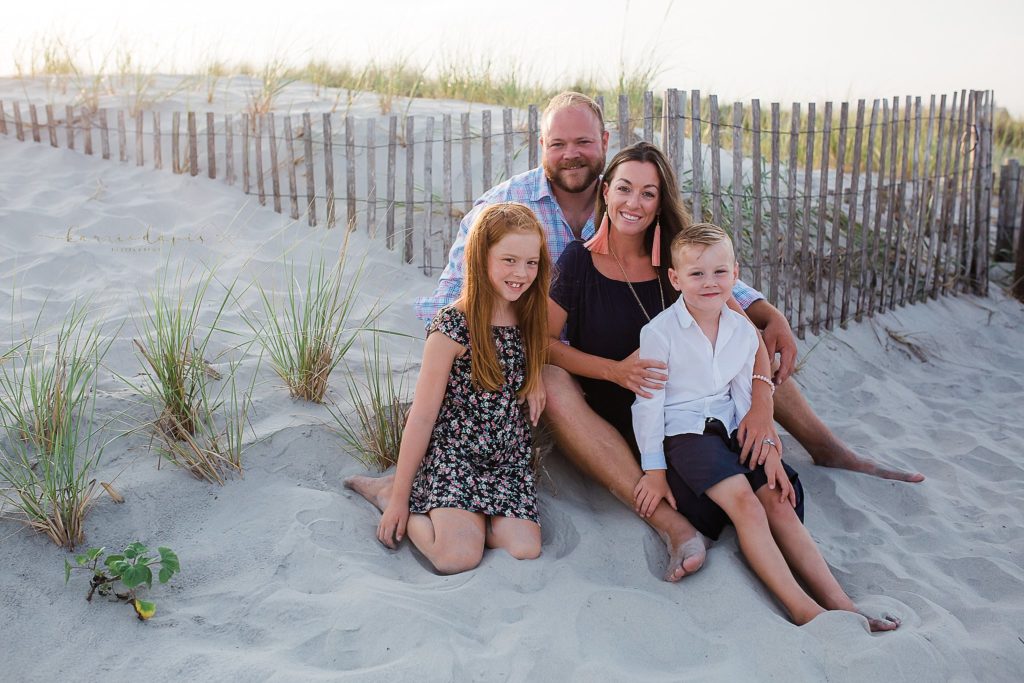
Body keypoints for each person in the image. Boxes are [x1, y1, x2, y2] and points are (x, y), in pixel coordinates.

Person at [415, 92, 922, 581]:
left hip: (668, 368)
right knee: (550, 373)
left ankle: (828, 447)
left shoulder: (636, 202)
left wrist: (770, 314)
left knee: (732, 335)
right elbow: (452, 303)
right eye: (558, 144)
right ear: (541, 144)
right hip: (575, 362)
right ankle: (669, 523)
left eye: (584, 142)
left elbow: (713, 278)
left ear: (605, 142)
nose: (571, 154)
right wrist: (515, 362)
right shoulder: (509, 205)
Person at [631, 222, 900, 631]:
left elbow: (746, 399)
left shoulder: (742, 330)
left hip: (731, 426)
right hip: (685, 433)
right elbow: (647, 407)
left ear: (735, 274)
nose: (710, 283)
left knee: (777, 497)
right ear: (675, 278)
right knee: (747, 506)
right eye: (697, 274)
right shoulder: (659, 333)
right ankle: (801, 608)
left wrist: (771, 451)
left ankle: (842, 602)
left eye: (720, 272)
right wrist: (653, 470)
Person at [548, 141, 791, 560]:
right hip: (619, 417)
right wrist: (614, 372)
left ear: (661, 202)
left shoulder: (681, 263)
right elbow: (543, 345)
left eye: (648, 193)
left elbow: (744, 334)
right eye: (624, 189)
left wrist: (762, 404)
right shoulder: (576, 262)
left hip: (685, 415)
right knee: (550, 382)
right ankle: (671, 526)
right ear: (605, 191)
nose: (634, 203)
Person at [346, 203, 550, 574]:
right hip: (454, 457)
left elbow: (532, 356)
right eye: (509, 260)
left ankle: (470, 517)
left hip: (507, 462)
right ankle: (390, 491)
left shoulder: (528, 312)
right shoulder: (452, 327)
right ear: (480, 257)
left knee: (524, 549)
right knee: (457, 557)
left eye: (531, 263)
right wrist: (401, 502)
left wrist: (534, 378)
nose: (521, 273)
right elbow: (422, 417)